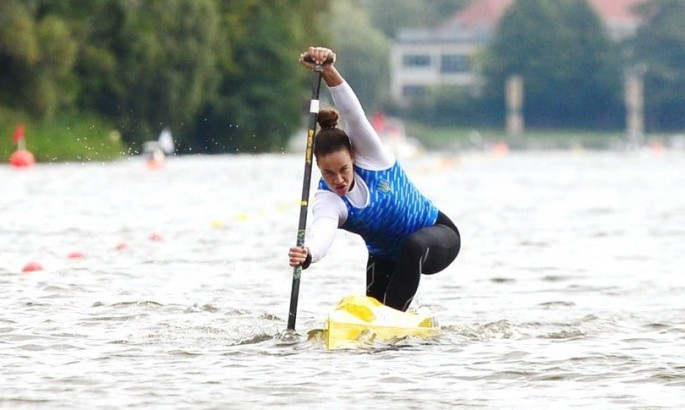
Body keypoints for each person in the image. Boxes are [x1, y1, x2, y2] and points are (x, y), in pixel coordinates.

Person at [288, 47, 460, 312]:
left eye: (344, 169)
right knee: (372, 325)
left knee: (411, 246)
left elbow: (352, 113)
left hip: (438, 238)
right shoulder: (328, 199)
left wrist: (329, 70)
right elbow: (323, 233)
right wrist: (308, 253)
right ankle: (391, 329)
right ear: (320, 170)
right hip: (384, 257)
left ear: (353, 156)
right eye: (329, 173)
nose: (339, 180)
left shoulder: (371, 155)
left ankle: (394, 319)